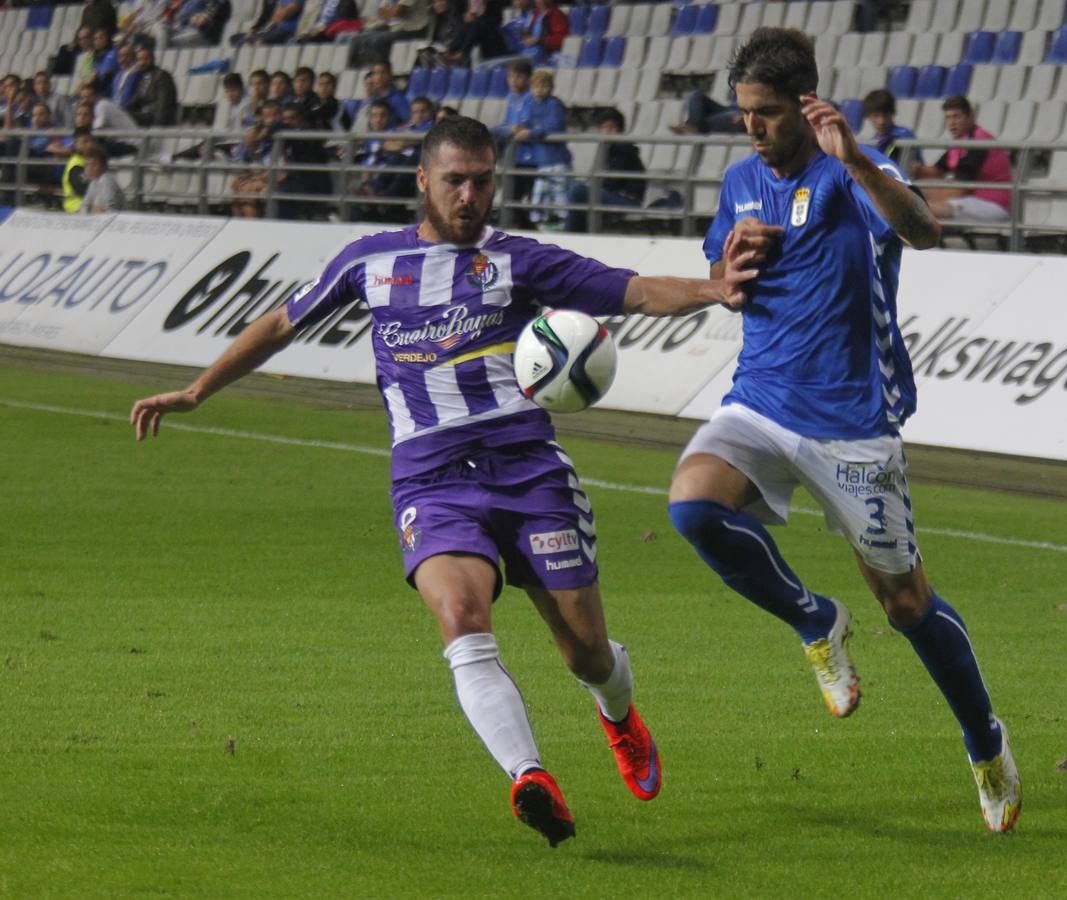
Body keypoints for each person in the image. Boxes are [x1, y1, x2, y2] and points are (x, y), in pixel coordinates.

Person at [130, 114, 755, 849]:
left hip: (528, 472)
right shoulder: (370, 261)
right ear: (422, 181)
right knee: (462, 619)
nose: (470, 196)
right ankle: (529, 776)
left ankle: (618, 713)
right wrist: (199, 390)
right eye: (455, 181)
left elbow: (635, 290)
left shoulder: (518, 260)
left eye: (483, 181)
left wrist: (714, 288)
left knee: (586, 651)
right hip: (431, 480)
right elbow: (281, 323)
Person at [666, 28, 1022, 834]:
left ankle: (984, 742)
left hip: (853, 420)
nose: (751, 128)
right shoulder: (740, 180)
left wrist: (857, 157)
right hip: (760, 398)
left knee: (905, 603)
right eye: (743, 113)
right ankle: (813, 620)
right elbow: (727, 275)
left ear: (804, 103)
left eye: (765, 113)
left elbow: (924, 231)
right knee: (691, 508)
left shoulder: (851, 171)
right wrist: (732, 262)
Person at [909, 94, 1012, 222]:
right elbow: (938, 170)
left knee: (919, 208)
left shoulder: (978, 142)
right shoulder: (961, 142)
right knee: (912, 194)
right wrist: (917, 169)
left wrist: (916, 200)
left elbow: (959, 190)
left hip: (994, 204)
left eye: (956, 117)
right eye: (948, 118)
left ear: (969, 117)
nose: (952, 123)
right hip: (973, 198)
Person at [565, 108, 645, 233]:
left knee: (578, 191)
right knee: (579, 193)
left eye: (611, 127)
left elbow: (612, 182)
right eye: (603, 128)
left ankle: (570, 236)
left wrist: (591, 185)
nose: (607, 132)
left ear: (620, 130)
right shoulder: (605, 148)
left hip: (626, 200)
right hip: (611, 194)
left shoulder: (623, 149)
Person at [511, 68, 570, 227]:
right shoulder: (530, 103)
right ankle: (540, 223)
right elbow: (526, 120)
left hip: (557, 160)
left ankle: (563, 223)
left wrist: (531, 133)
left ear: (551, 88)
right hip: (542, 161)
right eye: (536, 87)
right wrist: (519, 127)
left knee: (560, 195)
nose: (539, 90)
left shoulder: (554, 104)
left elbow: (553, 125)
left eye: (544, 87)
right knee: (539, 195)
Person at [862, 88, 921, 166]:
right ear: (868, 116)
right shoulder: (870, 144)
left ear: (892, 113)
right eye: (876, 116)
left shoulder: (905, 135)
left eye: (885, 115)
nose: (881, 121)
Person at [123, 44, 178, 126]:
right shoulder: (143, 77)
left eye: (145, 59)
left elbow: (164, 104)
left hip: (155, 117)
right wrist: (121, 111)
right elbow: (135, 100)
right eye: (139, 60)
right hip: (143, 115)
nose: (142, 63)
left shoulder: (162, 76)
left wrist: (158, 125)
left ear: (152, 59)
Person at [669, 89, 743, 135]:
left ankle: (696, 126)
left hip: (745, 113)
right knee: (696, 95)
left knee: (731, 117)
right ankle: (694, 124)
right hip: (730, 108)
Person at [80, 143, 126, 212]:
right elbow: (84, 206)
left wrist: (93, 210)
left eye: (93, 164)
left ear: (103, 166)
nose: (89, 168)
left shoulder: (107, 180)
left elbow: (110, 210)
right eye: (87, 165)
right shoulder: (93, 182)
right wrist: (90, 209)